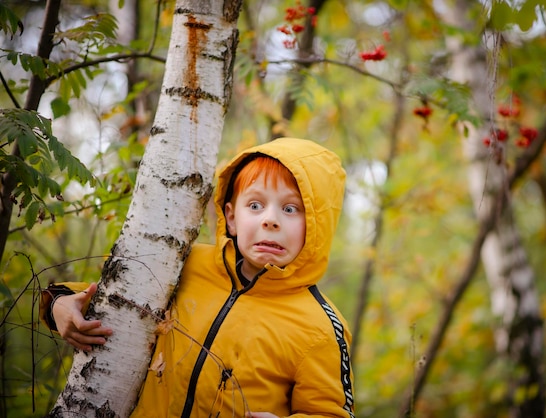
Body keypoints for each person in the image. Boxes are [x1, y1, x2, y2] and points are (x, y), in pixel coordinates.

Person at [41, 137, 355, 418]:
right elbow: (116, 292)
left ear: (316, 226)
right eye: (255, 205)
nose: (270, 220)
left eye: (290, 209)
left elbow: (330, 412)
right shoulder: (186, 264)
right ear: (231, 217)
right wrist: (59, 303)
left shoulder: (320, 328)